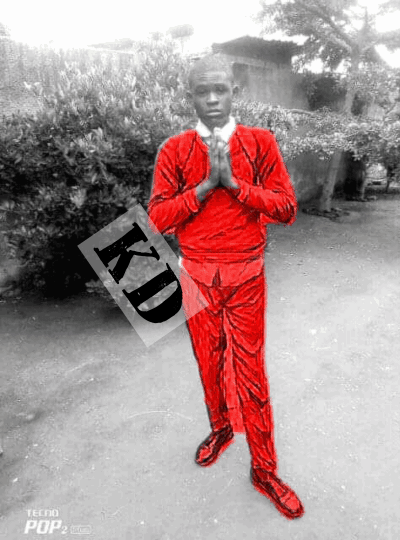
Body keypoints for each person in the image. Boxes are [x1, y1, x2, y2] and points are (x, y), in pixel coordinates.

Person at [148, 55, 304, 520]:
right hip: (196, 277)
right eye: (202, 91)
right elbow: (157, 219)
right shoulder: (174, 150)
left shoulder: (260, 143)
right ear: (190, 96)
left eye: (221, 89)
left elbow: (286, 208)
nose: (212, 99)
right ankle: (220, 430)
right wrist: (202, 189)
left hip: (245, 278)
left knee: (251, 375)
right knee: (210, 365)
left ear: (235, 91)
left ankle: (265, 470)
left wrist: (234, 185)